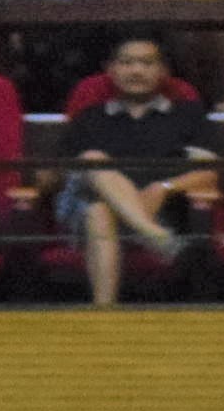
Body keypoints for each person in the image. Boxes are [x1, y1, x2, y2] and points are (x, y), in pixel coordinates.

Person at [64, 30, 215, 306]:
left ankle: (103, 314)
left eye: (147, 63)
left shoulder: (187, 113)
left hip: (159, 210)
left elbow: (209, 174)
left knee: (102, 211)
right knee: (95, 175)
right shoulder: (90, 117)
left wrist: (165, 187)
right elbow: (57, 175)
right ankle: (157, 240)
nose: (136, 70)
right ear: (110, 70)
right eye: (126, 62)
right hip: (85, 212)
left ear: (163, 71)